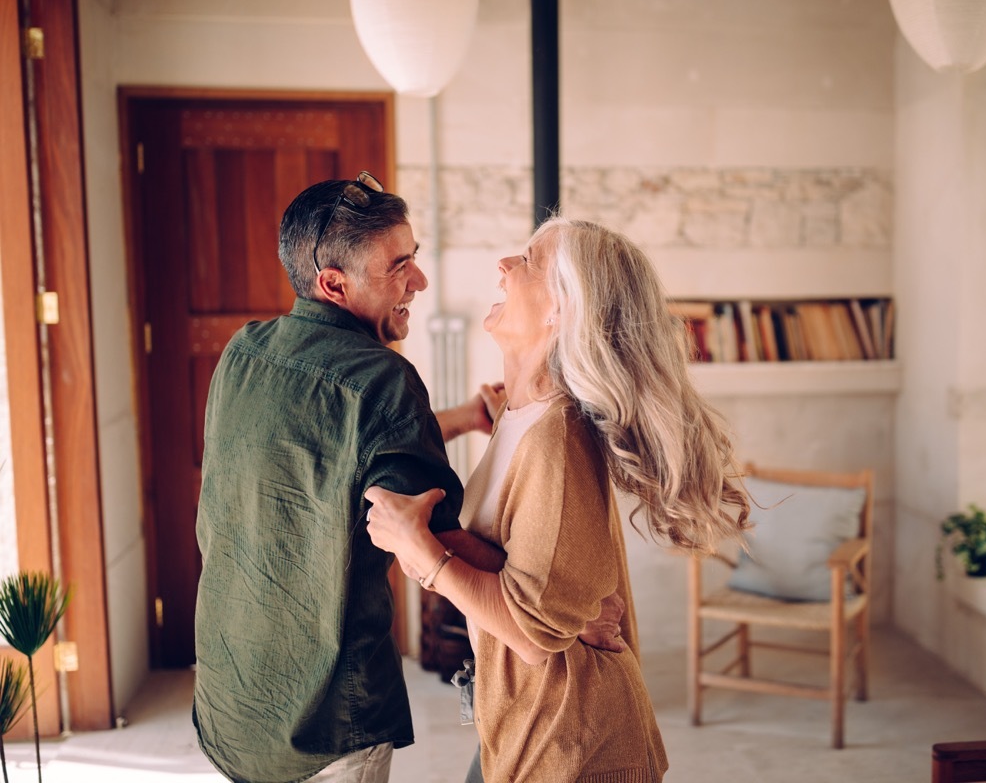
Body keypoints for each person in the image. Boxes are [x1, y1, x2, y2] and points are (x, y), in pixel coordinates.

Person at [364, 217, 752, 783]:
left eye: (528, 261)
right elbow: (535, 582)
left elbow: (531, 631)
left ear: (563, 310)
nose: (503, 267)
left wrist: (422, 555)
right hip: (532, 725)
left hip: (573, 743)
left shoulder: (556, 437)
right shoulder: (522, 418)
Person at [192, 172, 510, 783]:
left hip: (230, 699)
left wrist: (464, 419)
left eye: (413, 257)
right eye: (398, 266)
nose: (418, 280)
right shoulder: (385, 381)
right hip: (325, 719)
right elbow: (431, 544)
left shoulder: (244, 352)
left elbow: (336, 447)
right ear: (334, 284)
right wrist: (555, 599)